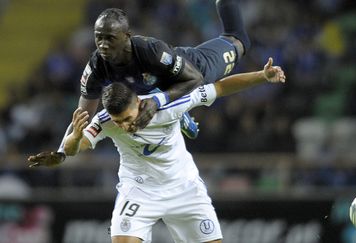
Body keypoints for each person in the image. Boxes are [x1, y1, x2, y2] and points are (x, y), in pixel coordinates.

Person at [28, 58, 285, 243]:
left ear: (138, 103)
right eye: (119, 122)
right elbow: (75, 149)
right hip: (139, 192)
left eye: (127, 118)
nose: (125, 126)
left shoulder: (169, 105)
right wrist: (72, 139)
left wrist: (262, 76)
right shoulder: (104, 121)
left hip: (184, 189)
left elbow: (219, 87)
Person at [28, 0, 250, 165]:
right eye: (98, 37)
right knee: (135, 90)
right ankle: (176, 110)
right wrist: (61, 152)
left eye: (110, 38)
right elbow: (81, 119)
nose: (103, 44)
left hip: (187, 68)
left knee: (238, 40)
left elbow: (195, 79)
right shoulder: (96, 67)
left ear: (126, 36)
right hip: (144, 90)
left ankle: (179, 110)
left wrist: (156, 101)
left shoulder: (150, 50)